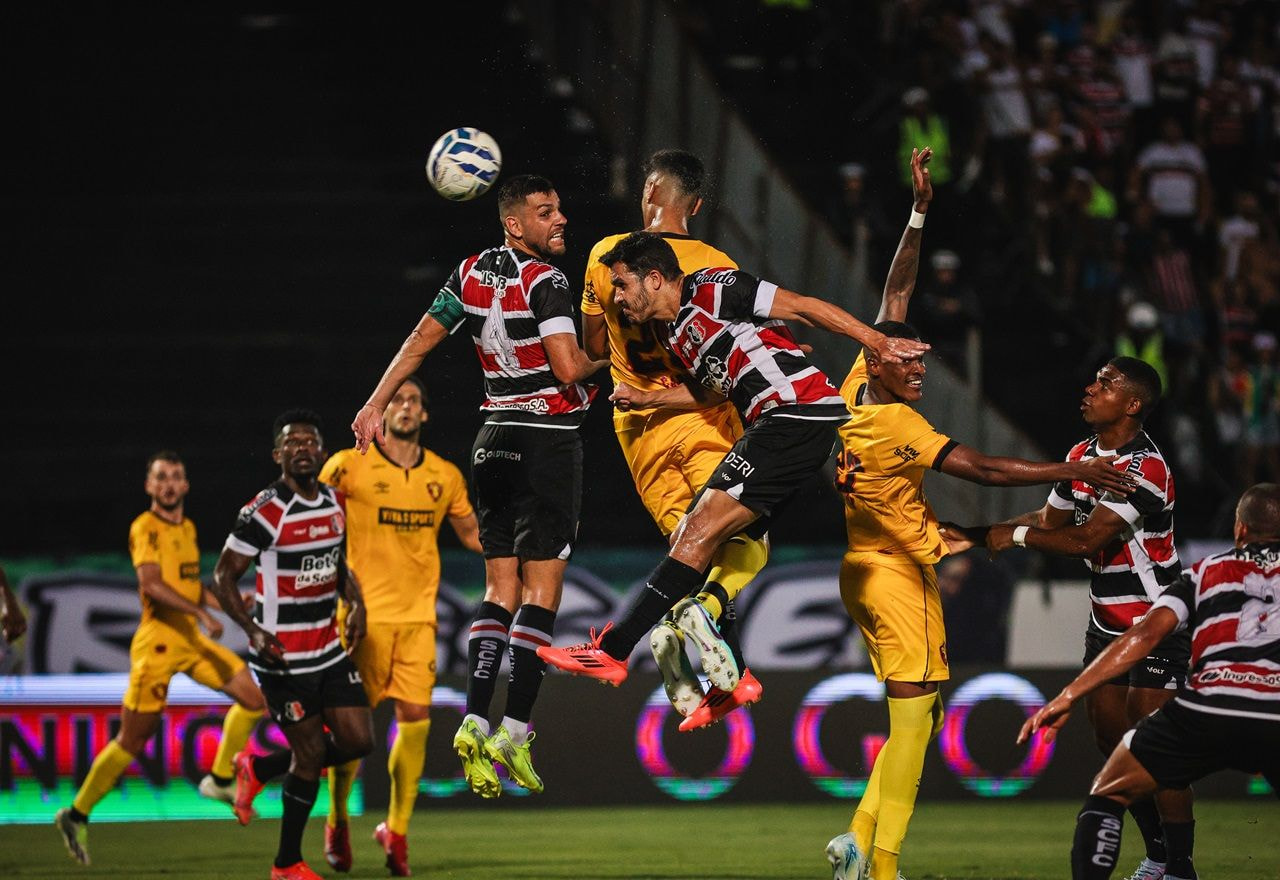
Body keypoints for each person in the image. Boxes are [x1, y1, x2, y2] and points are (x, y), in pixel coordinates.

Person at [824, 154, 1136, 880]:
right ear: (881, 367)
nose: (920, 368)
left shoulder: (853, 389)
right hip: (899, 579)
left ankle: (857, 841)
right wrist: (1075, 468)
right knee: (913, 721)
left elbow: (896, 290)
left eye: (920, 359)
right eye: (910, 363)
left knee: (925, 717)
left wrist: (917, 213)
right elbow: (989, 471)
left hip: (863, 568)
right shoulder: (894, 425)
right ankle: (883, 865)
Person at [537, 193, 934, 693]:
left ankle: (617, 650)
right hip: (792, 426)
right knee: (720, 538)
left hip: (794, 415)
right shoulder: (677, 333)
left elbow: (804, 307)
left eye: (621, 284)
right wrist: (645, 398)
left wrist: (874, 341)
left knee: (697, 531)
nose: (616, 296)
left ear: (654, 278)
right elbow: (708, 389)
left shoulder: (713, 286)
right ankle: (719, 661)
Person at [350, 174, 606, 798]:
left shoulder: (468, 274)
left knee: (499, 588)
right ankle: (513, 730)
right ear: (515, 224)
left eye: (561, 208)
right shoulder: (548, 282)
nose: (562, 220)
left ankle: (470, 717)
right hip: (546, 438)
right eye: (547, 212)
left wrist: (373, 404)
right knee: (541, 592)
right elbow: (570, 367)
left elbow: (418, 342)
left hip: (491, 440)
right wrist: (618, 363)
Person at [983, 358, 1196, 880]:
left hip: (1155, 621)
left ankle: (1180, 867)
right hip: (1105, 623)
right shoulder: (1080, 456)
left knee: (1154, 748)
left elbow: (1084, 540)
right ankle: (1159, 856)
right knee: (1111, 743)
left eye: (1104, 384)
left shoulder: (1145, 468)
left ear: (1132, 405)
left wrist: (1009, 538)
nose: (1088, 388)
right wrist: (978, 532)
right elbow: (1048, 522)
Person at [582, 148, 767, 731]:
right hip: (701, 412)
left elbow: (591, 347)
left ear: (647, 195)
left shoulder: (603, 258)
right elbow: (735, 356)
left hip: (636, 428)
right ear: (696, 205)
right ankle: (708, 646)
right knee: (731, 539)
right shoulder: (715, 262)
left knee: (686, 547)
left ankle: (729, 672)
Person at [1018, 483, 1280, 880]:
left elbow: (1142, 637)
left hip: (1208, 706)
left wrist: (1068, 696)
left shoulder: (1203, 573)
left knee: (1108, 791)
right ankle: (1175, 868)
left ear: (1239, 530)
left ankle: (1171, 870)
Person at [53, 452, 267, 866]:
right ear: (149, 487)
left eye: (175, 477)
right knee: (133, 740)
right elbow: (151, 585)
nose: (168, 484)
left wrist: (225, 603)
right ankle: (75, 814)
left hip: (189, 639)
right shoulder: (144, 527)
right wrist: (203, 614)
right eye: (160, 478)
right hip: (157, 644)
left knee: (253, 699)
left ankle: (221, 779)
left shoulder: (186, 528)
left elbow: (188, 588)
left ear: (186, 486)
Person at [320, 376, 482, 874]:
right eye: (397, 400)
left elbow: (474, 535)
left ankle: (397, 830)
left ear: (425, 415)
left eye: (414, 400)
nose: (406, 407)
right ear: (383, 412)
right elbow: (313, 528)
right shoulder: (348, 466)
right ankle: (337, 819)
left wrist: (529, 547)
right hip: (362, 620)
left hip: (418, 620)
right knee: (350, 734)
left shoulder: (444, 475)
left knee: (415, 723)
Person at [209, 411, 374, 880]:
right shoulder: (263, 511)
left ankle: (258, 768)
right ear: (277, 455)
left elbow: (338, 563)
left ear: (321, 452)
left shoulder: (335, 502)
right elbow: (223, 577)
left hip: (328, 649)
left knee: (359, 741)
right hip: (281, 658)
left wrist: (356, 603)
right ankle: (286, 864)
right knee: (310, 755)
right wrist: (253, 631)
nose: (302, 447)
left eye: (310, 441)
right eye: (291, 442)